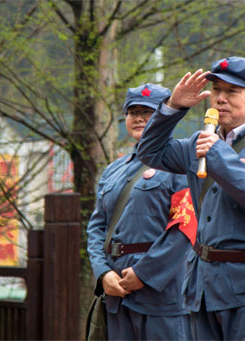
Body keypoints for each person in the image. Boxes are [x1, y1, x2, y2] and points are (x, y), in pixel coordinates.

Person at [136, 56, 245, 340]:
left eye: (232, 92)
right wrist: (174, 106)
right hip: (203, 284)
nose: (220, 99)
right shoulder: (200, 140)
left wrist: (218, 153)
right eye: (217, 90)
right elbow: (148, 152)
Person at [87, 83, 195, 340]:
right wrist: (103, 273)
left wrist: (144, 274)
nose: (139, 118)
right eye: (132, 111)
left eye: (148, 112)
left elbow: (185, 226)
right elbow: (96, 228)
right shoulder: (113, 170)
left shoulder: (181, 164)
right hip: (116, 294)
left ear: (164, 117)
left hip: (162, 294)